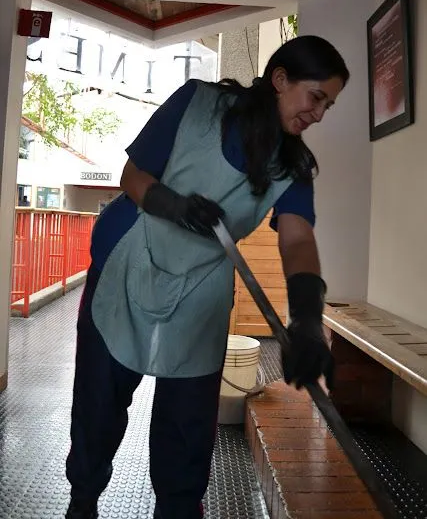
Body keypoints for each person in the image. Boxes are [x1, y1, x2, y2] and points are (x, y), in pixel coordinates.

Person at [65, 35, 349, 519]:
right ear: (280, 80)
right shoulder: (197, 104)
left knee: (188, 424)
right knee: (98, 403)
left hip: (202, 285)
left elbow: (298, 239)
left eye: (329, 104)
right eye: (316, 97)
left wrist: (306, 317)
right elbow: (132, 176)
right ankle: (83, 502)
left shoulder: (293, 166)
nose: (320, 114)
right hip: (130, 262)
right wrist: (174, 205)